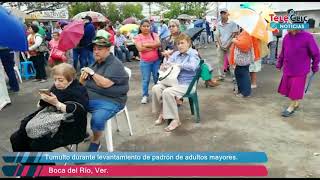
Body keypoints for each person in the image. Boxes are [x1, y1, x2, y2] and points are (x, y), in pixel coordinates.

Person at [10, 63, 89, 151]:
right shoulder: (57, 87)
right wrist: (44, 100)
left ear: (71, 79)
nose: (57, 83)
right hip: (52, 122)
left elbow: (78, 112)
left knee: (36, 145)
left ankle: (45, 164)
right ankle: (26, 162)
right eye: (55, 79)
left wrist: (57, 103)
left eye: (60, 80)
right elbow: (46, 103)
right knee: (15, 138)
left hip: (71, 128)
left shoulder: (78, 91)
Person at [79, 33, 129, 152]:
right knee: (73, 106)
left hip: (112, 100)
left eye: (99, 49)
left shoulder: (115, 63)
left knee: (97, 118)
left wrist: (91, 73)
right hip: (92, 96)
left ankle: (96, 141)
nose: (96, 52)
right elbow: (82, 83)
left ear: (108, 49)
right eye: (94, 49)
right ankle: (83, 133)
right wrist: (82, 76)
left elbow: (105, 84)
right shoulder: (97, 62)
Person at [152, 33, 200, 131]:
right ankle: (163, 112)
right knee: (156, 88)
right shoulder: (176, 54)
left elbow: (193, 66)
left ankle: (175, 120)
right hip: (173, 82)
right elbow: (168, 64)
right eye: (178, 44)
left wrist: (179, 65)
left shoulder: (193, 53)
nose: (180, 46)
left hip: (187, 84)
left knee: (167, 92)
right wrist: (165, 65)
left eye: (182, 43)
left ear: (189, 43)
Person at [161, 19, 219, 87]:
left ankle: (208, 80)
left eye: (173, 26)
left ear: (178, 27)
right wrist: (166, 53)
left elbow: (189, 49)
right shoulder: (167, 39)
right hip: (172, 59)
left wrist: (173, 51)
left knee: (204, 66)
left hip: (185, 58)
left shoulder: (184, 36)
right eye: (169, 27)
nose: (171, 28)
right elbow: (162, 50)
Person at [276, 29, 319, 117]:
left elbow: (316, 53)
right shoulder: (287, 37)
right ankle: (296, 103)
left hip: (301, 69)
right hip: (288, 67)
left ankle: (291, 107)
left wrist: (315, 66)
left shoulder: (307, 37)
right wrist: (279, 63)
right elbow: (283, 52)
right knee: (289, 87)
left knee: (295, 89)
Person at [134, 19, 161, 104]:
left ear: (150, 27)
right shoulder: (138, 37)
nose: (146, 28)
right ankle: (145, 95)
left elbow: (158, 44)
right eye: (144, 26)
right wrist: (153, 47)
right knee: (146, 79)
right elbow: (139, 48)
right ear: (140, 27)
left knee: (157, 78)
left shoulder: (154, 35)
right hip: (145, 62)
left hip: (156, 61)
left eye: (147, 26)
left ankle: (158, 94)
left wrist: (145, 45)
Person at [229, 29, 258, 97]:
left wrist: (234, 40)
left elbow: (244, 46)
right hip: (243, 59)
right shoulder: (246, 32)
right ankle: (242, 91)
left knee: (243, 74)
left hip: (242, 60)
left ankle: (245, 92)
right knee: (240, 73)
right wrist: (237, 38)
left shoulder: (246, 32)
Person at [214, 8, 239, 82]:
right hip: (221, 45)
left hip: (230, 45)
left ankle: (234, 76)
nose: (223, 15)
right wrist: (220, 45)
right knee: (220, 61)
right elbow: (217, 35)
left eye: (224, 13)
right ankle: (221, 75)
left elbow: (234, 34)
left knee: (231, 61)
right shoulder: (218, 24)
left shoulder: (232, 23)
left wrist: (228, 45)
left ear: (227, 14)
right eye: (221, 13)